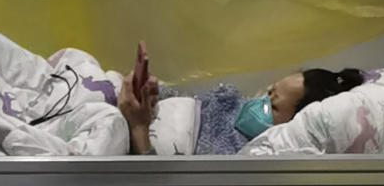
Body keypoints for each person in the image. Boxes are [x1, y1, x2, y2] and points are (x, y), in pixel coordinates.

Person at [118, 67, 365, 155]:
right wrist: (152, 94)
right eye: (270, 90)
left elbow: (160, 180)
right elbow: (189, 103)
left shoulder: (244, 161)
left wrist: (138, 129)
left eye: (274, 106)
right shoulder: (229, 103)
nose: (261, 103)